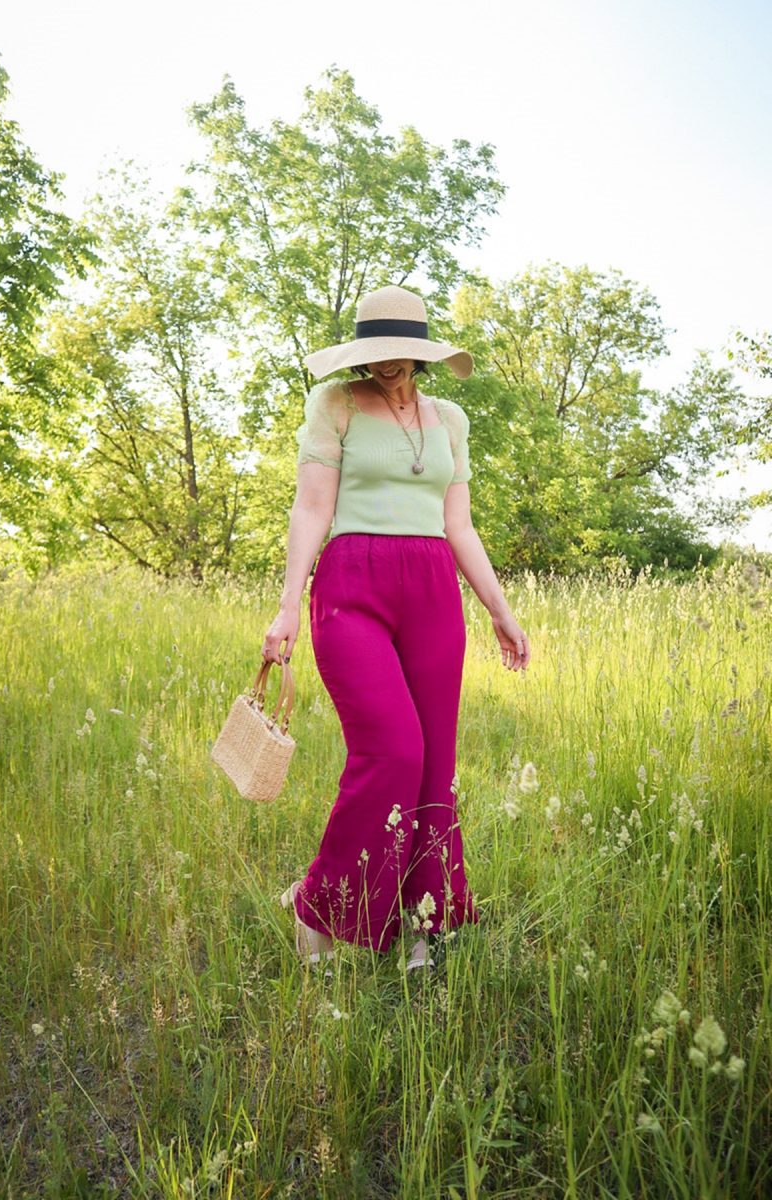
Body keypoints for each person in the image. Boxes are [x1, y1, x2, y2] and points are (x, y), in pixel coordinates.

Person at [264, 285, 531, 973]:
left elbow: (458, 524)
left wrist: (499, 610)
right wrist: (288, 605)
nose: (387, 365)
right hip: (352, 585)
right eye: (375, 353)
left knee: (436, 763)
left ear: (420, 355)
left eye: (399, 354)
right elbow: (310, 509)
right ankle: (317, 909)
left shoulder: (450, 419)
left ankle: (424, 922)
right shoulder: (336, 404)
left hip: (433, 591)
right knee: (393, 752)